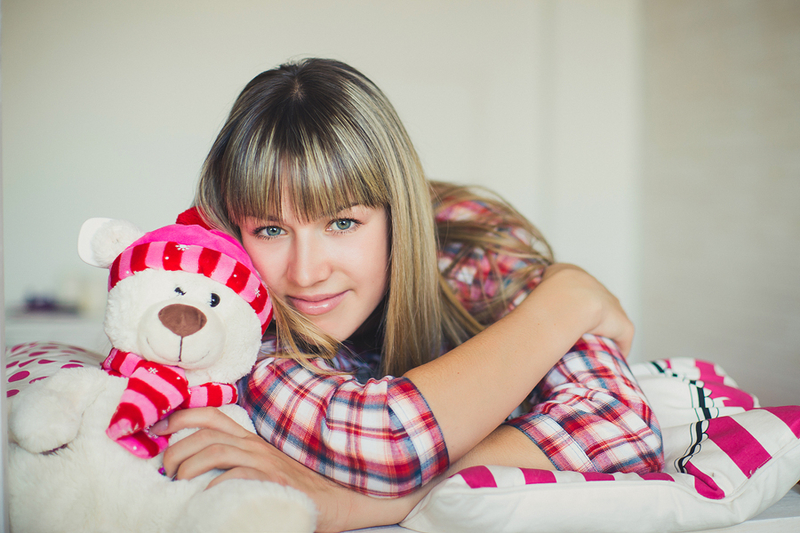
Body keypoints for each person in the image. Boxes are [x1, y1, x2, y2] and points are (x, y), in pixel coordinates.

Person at [153, 58, 663, 532]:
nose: (306, 273)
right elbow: (388, 441)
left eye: (342, 222)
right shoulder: (230, 316)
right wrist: (569, 300)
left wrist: (379, 502)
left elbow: (624, 430)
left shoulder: (466, 241)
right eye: (270, 230)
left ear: (397, 215)